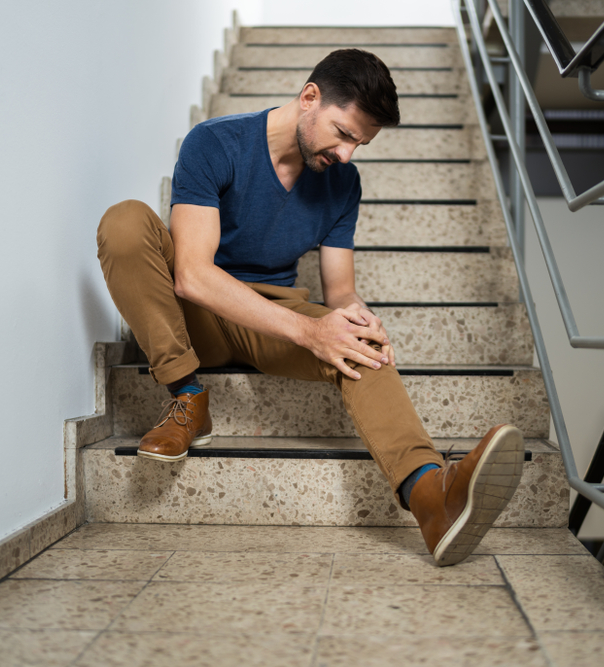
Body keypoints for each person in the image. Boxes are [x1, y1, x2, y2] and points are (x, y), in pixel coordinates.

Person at [96, 49, 524, 566]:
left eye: (360, 144)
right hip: (200, 316)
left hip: (273, 316)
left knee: (359, 342)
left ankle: (432, 500)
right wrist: (308, 331)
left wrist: (357, 317)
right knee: (125, 221)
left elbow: (339, 290)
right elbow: (191, 275)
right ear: (309, 98)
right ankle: (187, 397)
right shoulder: (215, 142)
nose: (347, 154)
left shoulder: (343, 182)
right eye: (344, 134)